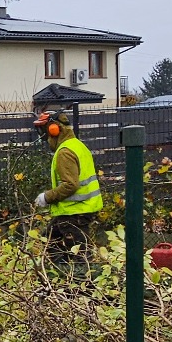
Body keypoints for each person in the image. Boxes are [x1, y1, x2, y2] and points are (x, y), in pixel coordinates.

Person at [32, 110, 103, 263]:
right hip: (79, 210)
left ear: (54, 129)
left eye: (45, 130)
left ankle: (80, 283)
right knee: (49, 239)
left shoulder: (65, 152)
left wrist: (47, 197)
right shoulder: (77, 145)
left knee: (80, 256)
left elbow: (71, 184)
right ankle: (62, 274)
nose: (44, 136)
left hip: (74, 213)